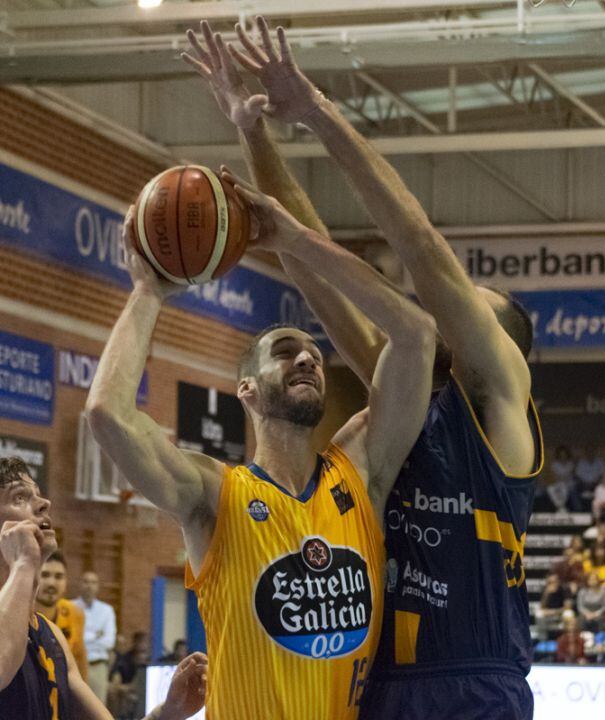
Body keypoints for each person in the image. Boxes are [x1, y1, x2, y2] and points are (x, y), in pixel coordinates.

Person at [183, 19, 541, 720]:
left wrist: (318, 112)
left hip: (472, 682)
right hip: (380, 687)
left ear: (506, 347)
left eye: (475, 304)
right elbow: (305, 259)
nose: (456, 298)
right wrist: (252, 128)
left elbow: (418, 245)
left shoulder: (500, 400)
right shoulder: (407, 392)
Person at [88, 111, 435, 720]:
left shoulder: (362, 467)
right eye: (284, 351)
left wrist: (298, 242)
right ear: (246, 390)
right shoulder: (213, 495)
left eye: (315, 352)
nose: (307, 356)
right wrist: (147, 293)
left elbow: (416, 336)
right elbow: (109, 417)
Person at [0, 458, 206, 720]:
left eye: (38, 493)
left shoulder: (50, 633)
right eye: (20, 497)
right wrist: (23, 565)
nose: (44, 503)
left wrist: (169, 711)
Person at [34, 552, 88, 678]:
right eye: (45, 575)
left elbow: (80, 661)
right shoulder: (18, 614)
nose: (51, 583)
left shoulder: (75, 613)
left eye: (58, 576)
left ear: (66, 582)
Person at [75, 570, 117, 703]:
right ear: (80, 584)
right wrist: (96, 635)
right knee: (73, 708)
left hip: (98, 667)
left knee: (98, 710)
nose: (89, 586)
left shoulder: (106, 610)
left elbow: (109, 642)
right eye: (86, 581)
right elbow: (71, 641)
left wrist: (83, 637)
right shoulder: (69, 607)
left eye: (93, 582)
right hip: (75, 667)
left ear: (98, 586)